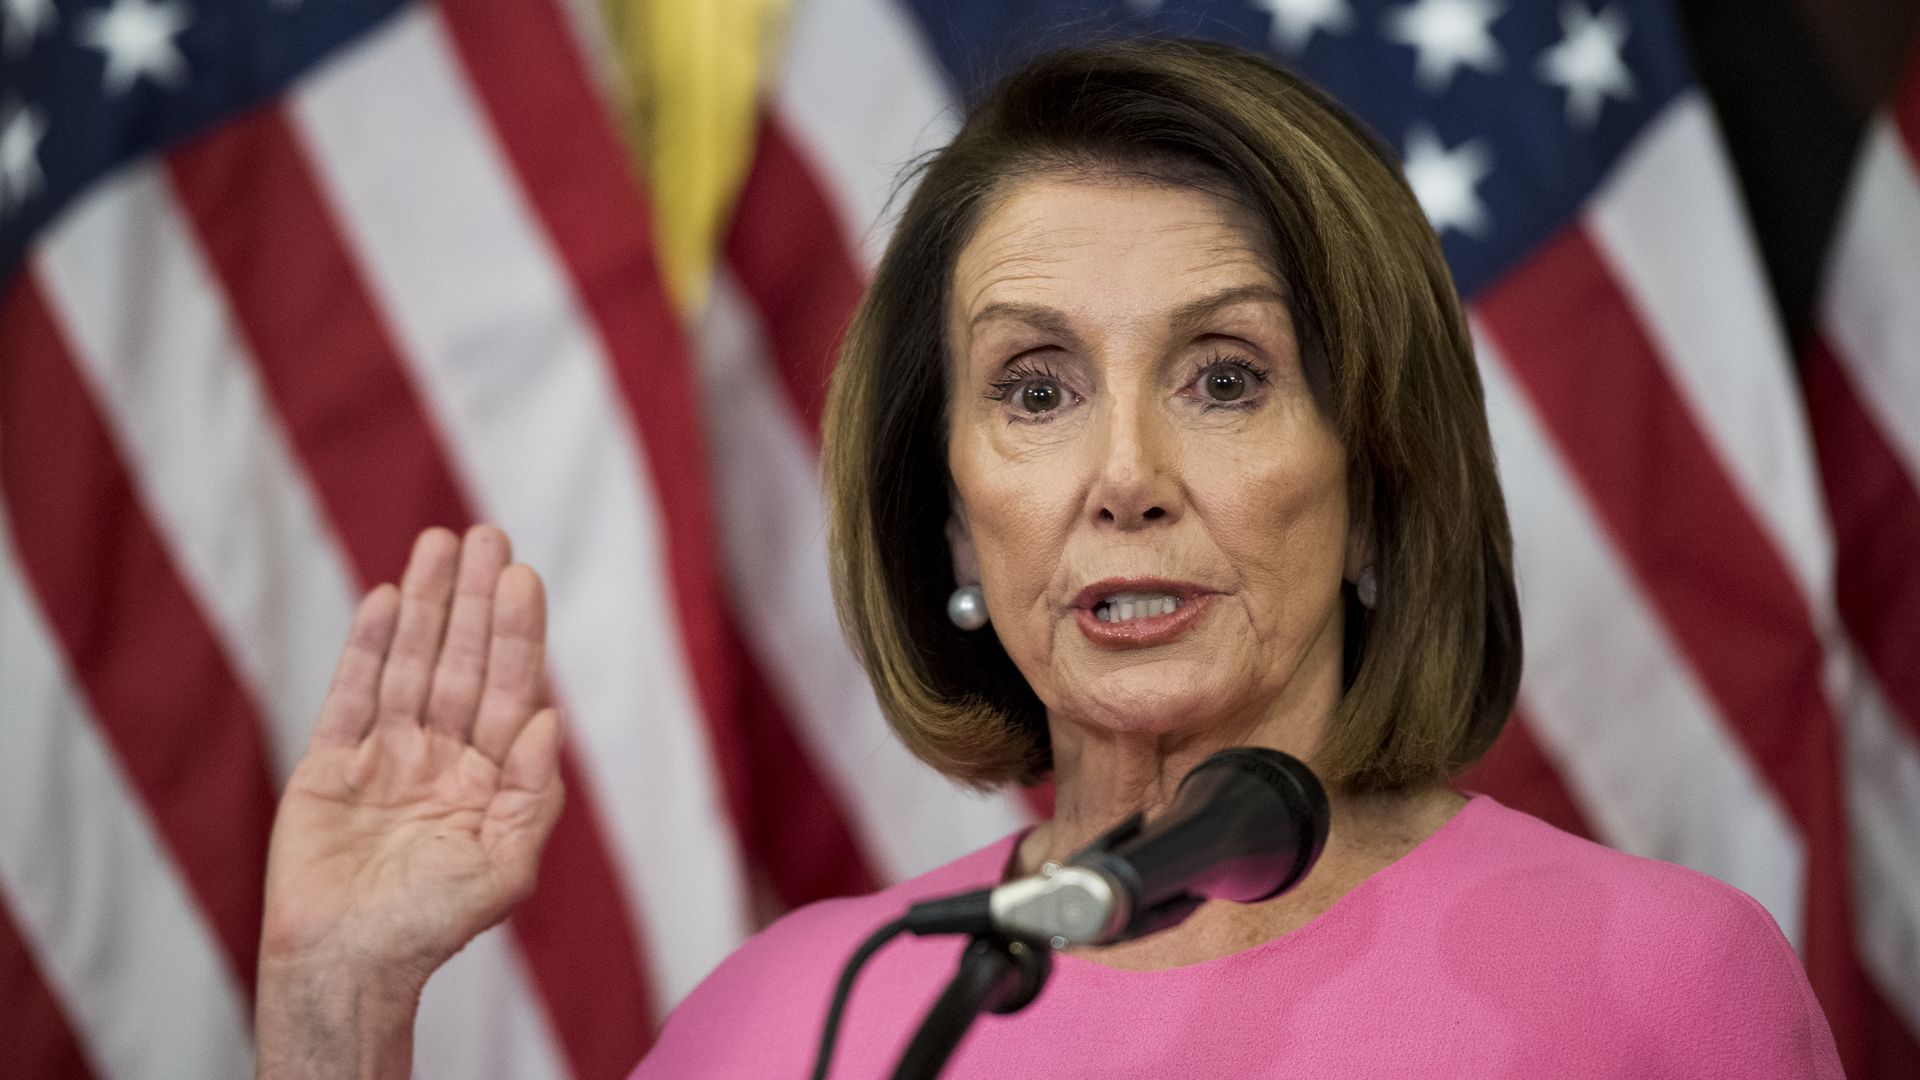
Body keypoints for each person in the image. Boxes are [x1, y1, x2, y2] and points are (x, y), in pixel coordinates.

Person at [254, 39, 1843, 1079]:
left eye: (1226, 378)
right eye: (1034, 389)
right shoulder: (794, 1021)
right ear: (951, 516)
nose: (1126, 478)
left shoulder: (1662, 987)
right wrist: (339, 1001)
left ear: (1376, 484)